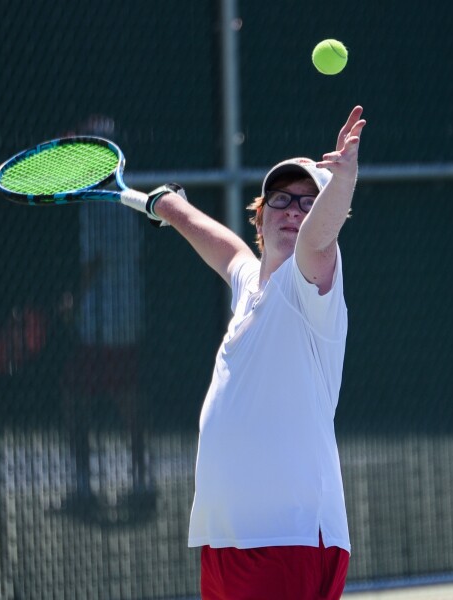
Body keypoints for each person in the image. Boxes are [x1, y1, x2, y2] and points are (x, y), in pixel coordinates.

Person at [122, 106, 366, 598]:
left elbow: (319, 237)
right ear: (261, 216)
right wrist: (167, 207)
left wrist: (343, 181)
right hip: (227, 541)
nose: (295, 211)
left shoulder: (311, 286)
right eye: (282, 200)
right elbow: (225, 248)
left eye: (308, 201)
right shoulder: (251, 285)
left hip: (289, 539)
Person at [60, 115, 155, 520]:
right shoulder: (127, 193)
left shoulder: (100, 199)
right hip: (122, 317)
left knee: (76, 399)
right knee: (126, 400)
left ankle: (86, 486)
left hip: (103, 321)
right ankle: (140, 482)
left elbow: (96, 260)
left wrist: (72, 300)